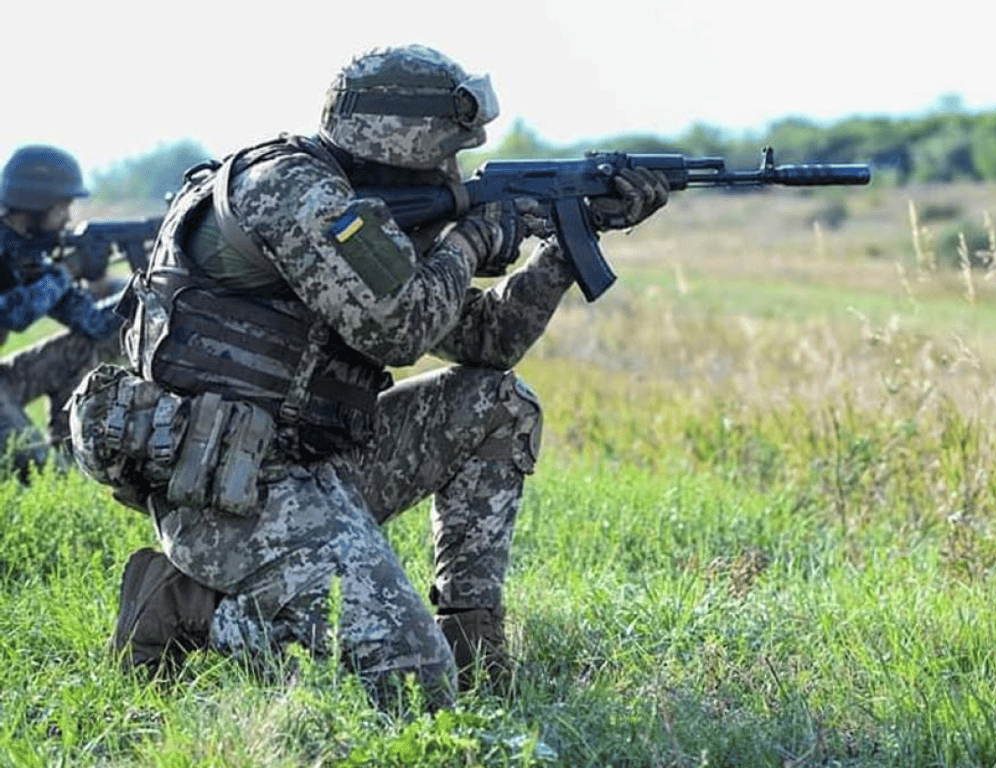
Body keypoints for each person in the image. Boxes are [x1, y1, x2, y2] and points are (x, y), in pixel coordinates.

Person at [69, 43, 668, 710]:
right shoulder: (292, 191)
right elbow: (400, 329)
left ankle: (475, 650)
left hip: (317, 465)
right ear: (408, 140)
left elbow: (487, 341)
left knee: (496, 404)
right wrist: (470, 240)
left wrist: (564, 241)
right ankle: (186, 613)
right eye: (449, 147)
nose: (456, 164)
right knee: (412, 683)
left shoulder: (361, 208)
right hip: (233, 489)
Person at [0, 145, 122, 477]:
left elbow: (93, 324)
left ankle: (69, 446)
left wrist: (142, 288)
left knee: (83, 345)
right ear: (37, 205)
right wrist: (65, 272)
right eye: (63, 207)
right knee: (44, 478)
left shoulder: (29, 254)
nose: (69, 218)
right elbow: (13, 314)